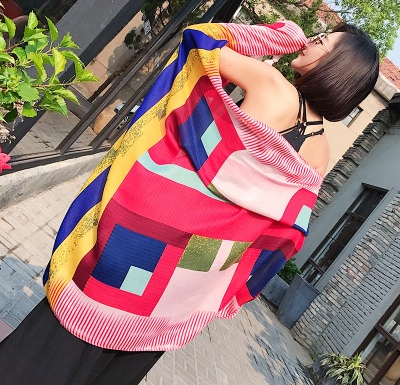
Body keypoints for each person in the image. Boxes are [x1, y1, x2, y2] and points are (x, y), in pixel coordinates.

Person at [0, 19, 378, 385]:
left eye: (323, 42)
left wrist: (281, 35)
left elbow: (201, 39)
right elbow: (280, 231)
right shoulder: (321, 153)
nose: (313, 40)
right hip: (185, 282)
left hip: (144, 238)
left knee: (52, 348)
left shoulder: (271, 83)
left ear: (334, 69)